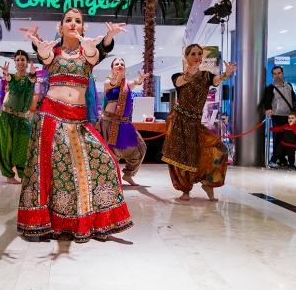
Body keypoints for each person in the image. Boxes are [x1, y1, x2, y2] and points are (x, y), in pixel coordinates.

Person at [17, 8, 133, 243]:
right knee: (54, 172)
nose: (72, 23)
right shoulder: (54, 52)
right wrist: (39, 47)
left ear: (83, 28)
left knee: (106, 160)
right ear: (60, 27)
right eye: (68, 20)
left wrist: (105, 39)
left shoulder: (87, 52)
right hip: (51, 116)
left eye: (78, 21)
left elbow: (94, 54)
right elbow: (45, 57)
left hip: (78, 121)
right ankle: (46, 223)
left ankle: (94, 220)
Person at [162, 44, 237, 202]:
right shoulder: (177, 75)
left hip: (195, 123)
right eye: (193, 54)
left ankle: (208, 182)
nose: (197, 57)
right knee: (183, 158)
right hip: (180, 122)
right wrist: (189, 74)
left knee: (219, 149)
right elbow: (179, 83)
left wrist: (227, 74)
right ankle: (185, 190)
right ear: (186, 57)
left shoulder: (206, 76)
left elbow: (216, 80)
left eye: (199, 54)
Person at [100, 58, 149, 186]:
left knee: (141, 147)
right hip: (110, 122)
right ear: (112, 68)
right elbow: (113, 83)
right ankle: (108, 179)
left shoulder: (127, 84)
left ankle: (128, 175)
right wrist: (118, 78)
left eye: (122, 64)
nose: (120, 65)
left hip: (125, 123)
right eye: (117, 64)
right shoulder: (107, 82)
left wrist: (139, 80)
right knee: (110, 153)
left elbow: (135, 83)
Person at [0, 50, 36, 184]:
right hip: (6, 117)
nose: (20, 62)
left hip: (23, 119)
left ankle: (23, 174)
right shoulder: (11, 77)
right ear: (15, 62)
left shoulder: (31, 78)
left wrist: (32, 73)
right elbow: (11, 83)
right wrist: (7, 74)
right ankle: (8, 175)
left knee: (23, 147)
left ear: (27, 62)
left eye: (22, 59)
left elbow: (31, 80)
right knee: (6, 146)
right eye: (17, 60)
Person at [264, 65, 296, 166]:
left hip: (289, 117)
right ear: (272, 75)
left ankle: (283, 159)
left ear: (282, 74)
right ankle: (275, 159)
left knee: (288, 139)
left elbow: (294, 99)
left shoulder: (289, 86)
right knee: (278, 139)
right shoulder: (271, 88)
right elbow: (267, 101)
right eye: (275, 74)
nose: (277, 75)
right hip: (277, 116)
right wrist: (268, 109)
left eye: (279, 73)